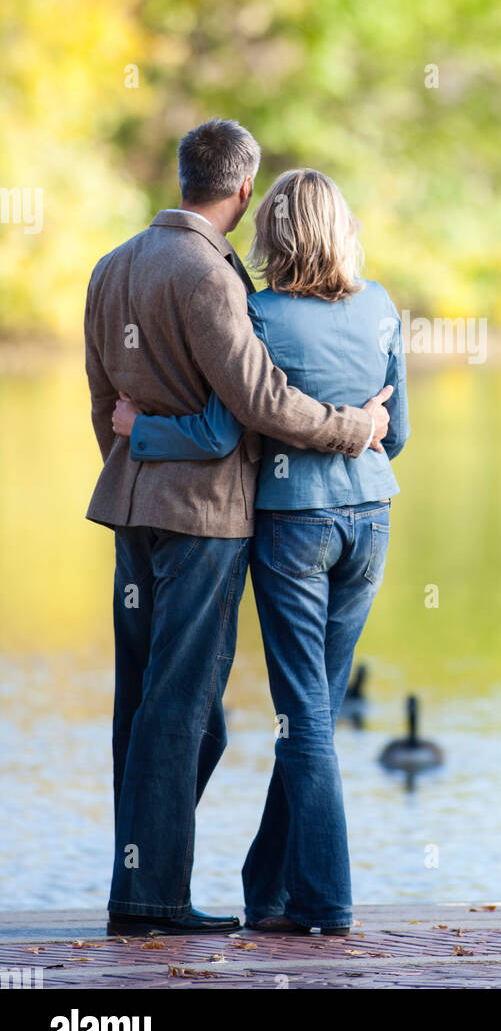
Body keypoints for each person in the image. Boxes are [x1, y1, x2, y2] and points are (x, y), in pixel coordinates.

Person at [84, 119, 393, 937]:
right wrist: (355, 429)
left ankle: (142, 877)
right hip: (208, 520)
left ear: (184, 174)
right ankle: (152, 898)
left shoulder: (110, 267)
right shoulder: (211, 277)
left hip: (132, 511)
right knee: (184, 707)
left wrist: (136, 465)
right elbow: (257, 405)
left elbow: (102, 406)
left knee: (151, 705)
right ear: (245, 187)